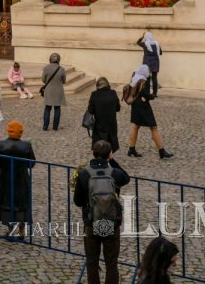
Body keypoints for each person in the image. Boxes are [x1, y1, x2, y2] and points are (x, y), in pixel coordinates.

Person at [74, 139, 131, 284]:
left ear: (93, 153)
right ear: (110, 154)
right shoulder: (115, 173)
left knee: (92, 262)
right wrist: (113, 161)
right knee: (111, 263)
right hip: (111, 222)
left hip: (92, 222)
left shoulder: (84, 174)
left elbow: (78, 201)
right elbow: (126, 178)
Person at [0, 120, 36, 237]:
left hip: (6, 179)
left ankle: (10, 229)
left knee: (7, 202)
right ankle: (21, 231)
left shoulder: (0, 145)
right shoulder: (26, 145)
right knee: (22, 204)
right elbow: (31, 163)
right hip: (22, 179)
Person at [125, 66, 173, 159]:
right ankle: (161, 151)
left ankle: (131, 149)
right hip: (143, 107)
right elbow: (146, 94)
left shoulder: (134, 78)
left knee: (135, 126)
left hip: (135, 105)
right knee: (153, 127)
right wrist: (152, 96)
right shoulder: (143, 81)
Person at [87, 77, 121, 154]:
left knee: (99, 144)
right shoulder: (113, 93)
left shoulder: (94, 94)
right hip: (111, 124)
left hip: (99, 124)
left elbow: (90, 110)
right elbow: (118, 108)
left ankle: (100, 159)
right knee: (110, 143)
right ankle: (109, 158)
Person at [41, 52, 66, 131]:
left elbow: (43, 80)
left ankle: (45, 127)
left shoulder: (46, 68)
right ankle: (55, 127)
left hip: (49, 91)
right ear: (58, 60)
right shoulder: (62, 69)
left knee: (47, 108)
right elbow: (64, 81)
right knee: (57, 109)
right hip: (58, 91)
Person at [137, 31, 162, 96]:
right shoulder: (156, 44)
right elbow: (160, 53)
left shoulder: (145, 44)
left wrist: (142, 36)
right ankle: (155, 93)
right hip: (155, 62)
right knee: (154, 78)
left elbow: (138, 42)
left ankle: (147, 92)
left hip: (147, 62)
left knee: (147, 77)